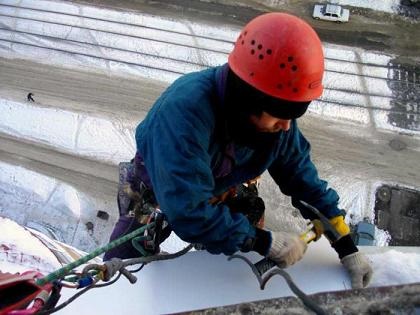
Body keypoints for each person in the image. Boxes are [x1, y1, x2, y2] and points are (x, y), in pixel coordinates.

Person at [104, 12, 372, 289]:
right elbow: (187, 212)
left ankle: (225, 276)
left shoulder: (276, 124)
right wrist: (263, 242)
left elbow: (303, 180)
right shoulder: (184, 113)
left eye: (292, 115)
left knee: (248, 215)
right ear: (248, 99)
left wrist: (346, 246)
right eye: (279, 114)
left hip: (216, 182)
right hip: (160, 184)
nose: (286, 125)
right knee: (124, 266)